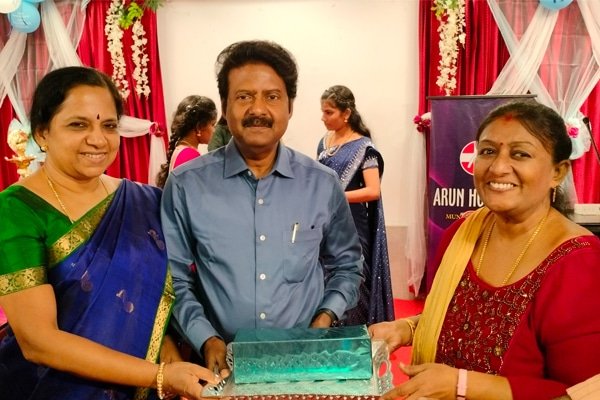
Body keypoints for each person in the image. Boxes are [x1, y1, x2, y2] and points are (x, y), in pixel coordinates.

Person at [0, 66, 220, 400]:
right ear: (42, 133)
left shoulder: (145, 200)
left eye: (109, 125)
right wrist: (161, 376)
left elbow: (154, 298)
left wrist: (167, 349)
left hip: (145, 386)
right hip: (50, 389)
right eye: (78, 125)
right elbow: (38, 342)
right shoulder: (17, 210)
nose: (98, 139)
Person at [369, 101, 600, 400]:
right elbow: (453, 319)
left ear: (558, 172)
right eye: (488, 151)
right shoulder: (461, 234)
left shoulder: (578, 262)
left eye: (520, 154)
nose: (498, 167)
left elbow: (583, 393)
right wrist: (406, 328)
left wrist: (463, 386)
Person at [161, 40, 364, 374]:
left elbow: (348, 265)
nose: (258, 109)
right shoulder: (186, 185)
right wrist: (205, 338)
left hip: (303, 365)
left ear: (290, 107)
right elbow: (174, 279)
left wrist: (325, 317)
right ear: (224, 107)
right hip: (219, 369)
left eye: (272, 97)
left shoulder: (322, 184)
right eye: (244, 97)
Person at [317, 85, 394, 325]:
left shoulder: (364, 148)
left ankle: (355, 330)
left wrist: (337, 197)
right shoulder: (324, 143)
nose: (323, 118)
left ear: (346, 113)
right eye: (322, 112)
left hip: (353, 224)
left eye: (329, 112)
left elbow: (373, 190)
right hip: (325, 221)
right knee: (326, 273)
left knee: (353, 275)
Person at [155, 95, 217, 188]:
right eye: (213, 124)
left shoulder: (182, 149)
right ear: (199, 127)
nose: (214, 130)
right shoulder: (190, 155)